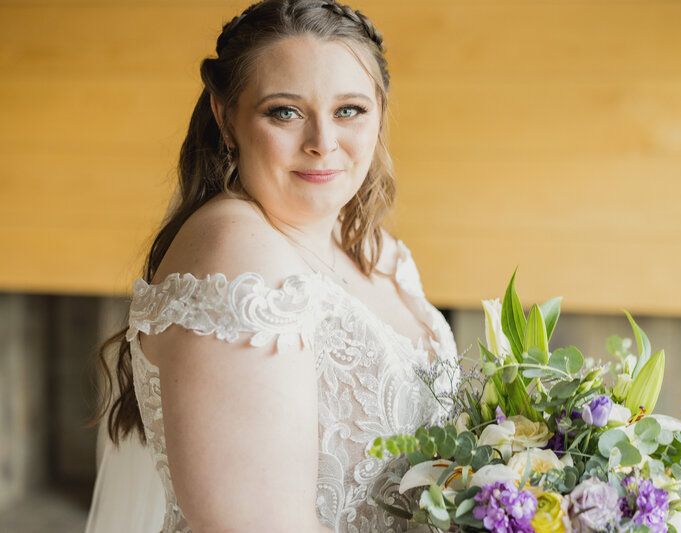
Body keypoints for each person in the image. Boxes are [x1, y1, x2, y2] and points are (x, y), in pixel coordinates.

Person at [85, 1, 458, 532]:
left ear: (380, 110)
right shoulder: (238, 255)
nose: (323, 143)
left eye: (349, 110)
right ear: (225, 117)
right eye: (285, 111)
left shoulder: (376, 250)